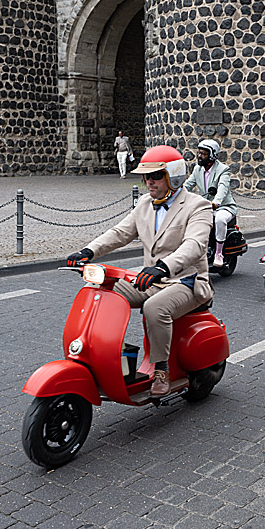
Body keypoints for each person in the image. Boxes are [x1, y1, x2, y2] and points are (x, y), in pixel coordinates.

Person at [67, 145, 214, 397]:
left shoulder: (197, 206)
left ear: (173, 176)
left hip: (186, 281)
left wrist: (163, 267)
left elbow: (194, 245)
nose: (149, 182)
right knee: (101, 290)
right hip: (153, 279)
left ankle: (161, 369)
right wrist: (88, 251)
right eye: (145, 177)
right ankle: (103, 355)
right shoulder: (145, 203)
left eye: (155, 175)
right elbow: (120, 233)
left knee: (154, 308)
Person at [183, 139, 237, 269]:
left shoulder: (222, 169)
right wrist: (174, 195)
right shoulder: (197, 169)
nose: (200, 156)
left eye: (204, 154)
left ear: (212, 155)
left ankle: (218, 253)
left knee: (219, 219)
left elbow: (223, 187)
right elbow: (187, 185)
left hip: (224, 207)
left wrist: (216, 202)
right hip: (207, 207)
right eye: (199, 153)